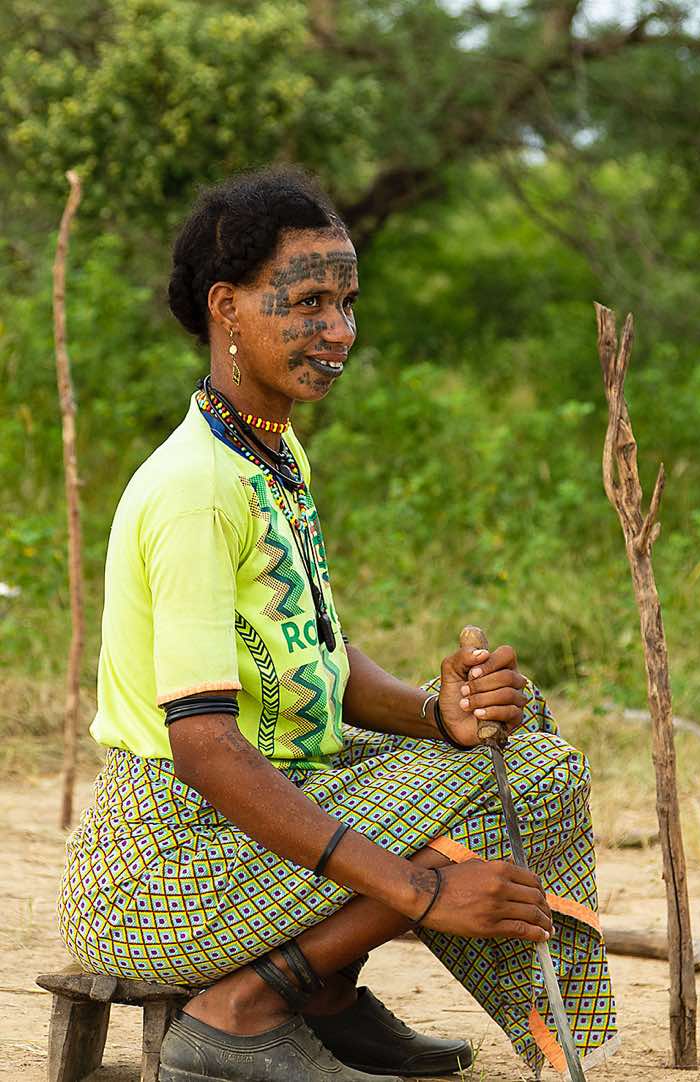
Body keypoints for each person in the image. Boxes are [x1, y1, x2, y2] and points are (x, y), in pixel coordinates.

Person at [58, 167, 618, 1082]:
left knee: (518, 737)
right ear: (227, 307)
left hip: (245, 822)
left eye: (347, 304)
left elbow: (315, 658)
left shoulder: (270, 453)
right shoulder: (197, 489)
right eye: (309, 302)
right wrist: (421, 891)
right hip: (166, 865)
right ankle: (242, 1009)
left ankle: (322, 993)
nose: (340, 331)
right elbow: (203, 748)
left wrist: (435, 714)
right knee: (528, 775)